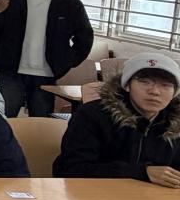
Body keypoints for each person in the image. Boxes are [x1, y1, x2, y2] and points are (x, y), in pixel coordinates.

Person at [0, 0, 93, 117]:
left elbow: (84, 36)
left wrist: (67, 60)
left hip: (46, 74)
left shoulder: (67, 2)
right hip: (11, 72)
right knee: (2, 119)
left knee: (41, 121)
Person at [53, 53, 180, 186]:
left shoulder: (175, 124)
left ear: (174, 92)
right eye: (145, 82)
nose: (155, 92)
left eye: (165, 85)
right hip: (95, 194)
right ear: (127, 85)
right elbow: (69, 169)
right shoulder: (92, 115)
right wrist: (141, 172)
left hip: (153, 197)